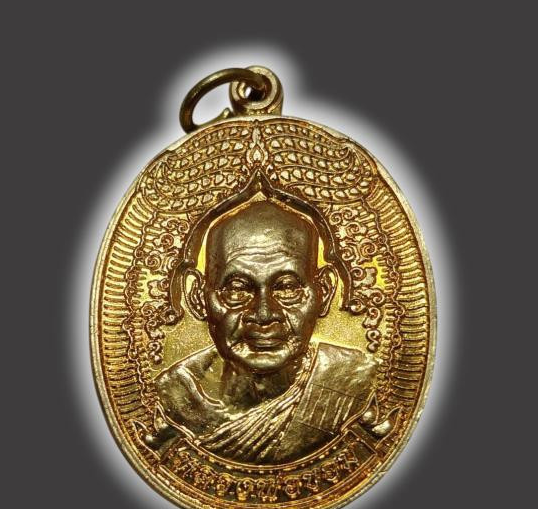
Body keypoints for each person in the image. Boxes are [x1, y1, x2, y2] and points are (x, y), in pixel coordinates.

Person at [155, 198, 377, 464]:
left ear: (325, 293)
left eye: (287, 288)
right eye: (237, 289)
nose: (263, 315)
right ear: (197, 298)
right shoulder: (176, 396)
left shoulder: (354, 382)